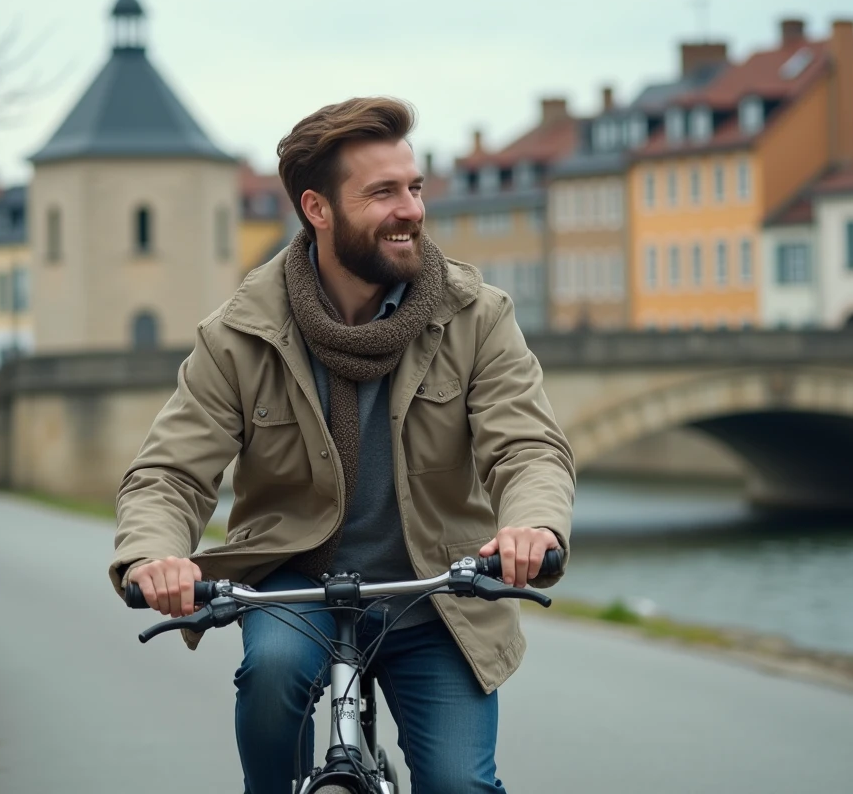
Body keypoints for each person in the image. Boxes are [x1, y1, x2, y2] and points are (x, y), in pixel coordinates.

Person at [110, 97, 575, 794]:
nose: (411, 210)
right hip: (295, 586)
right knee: (270, 680)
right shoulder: (240, 332)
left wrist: (533, 524)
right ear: (318, 210)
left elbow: (528, 446)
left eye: (414, 188)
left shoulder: (477, 315)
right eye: (383, 192)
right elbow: (172, 472)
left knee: (458, 784)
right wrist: (152, 555)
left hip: (436, 589)